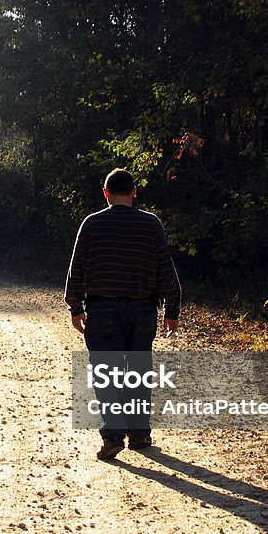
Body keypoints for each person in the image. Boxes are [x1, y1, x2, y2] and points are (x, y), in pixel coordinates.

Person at [64, 168, 182, 460]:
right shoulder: (151, 224)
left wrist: (76, 307)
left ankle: (114, 435)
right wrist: (172, 309)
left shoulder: (92, 224)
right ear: (134, 192)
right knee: (139, 372)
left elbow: (76, 267)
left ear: (106, 193)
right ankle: (140, 433)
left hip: (102, 309)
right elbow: (166, 268)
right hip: (142, 310)